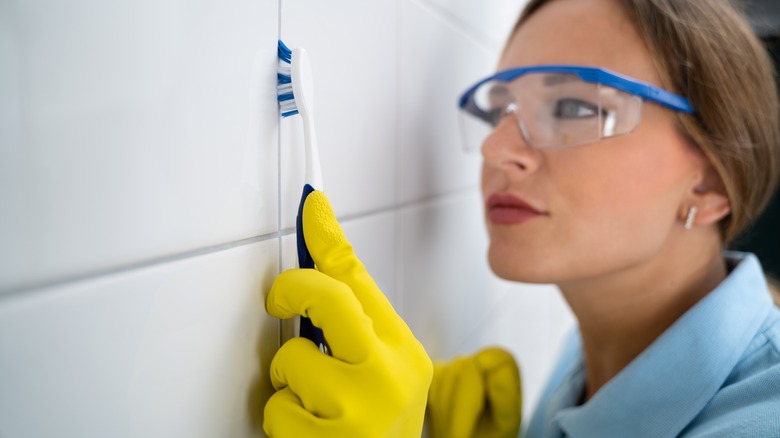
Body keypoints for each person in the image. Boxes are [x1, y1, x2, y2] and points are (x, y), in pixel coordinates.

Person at [262, 0, 780, 436]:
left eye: (574, 108)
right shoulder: (591, 352)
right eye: (500, 110)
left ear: (711, 181)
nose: (497, 146)